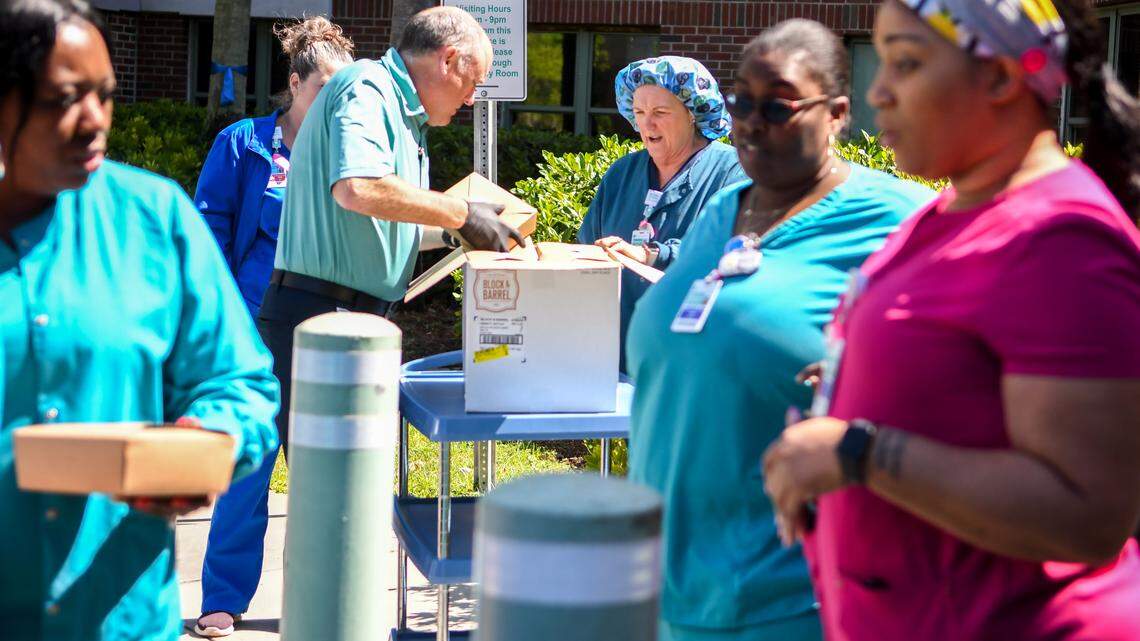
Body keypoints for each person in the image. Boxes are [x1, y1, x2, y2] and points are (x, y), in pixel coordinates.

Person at [762, 1, 1140, 639]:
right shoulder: (947, 211)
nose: (876, 92)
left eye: (905, 63)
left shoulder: (1060, 239)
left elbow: (1088, 514)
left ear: (998, 77)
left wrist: (858, 451)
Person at [625, 21, 934, 641]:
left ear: (838, 113)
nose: (751, 121)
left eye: (779, 105)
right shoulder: (722, 210)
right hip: (663, 590)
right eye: (742, 101)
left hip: (792, 600)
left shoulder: (898, 221)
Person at [0, 1, 280, 640]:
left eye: (104, 95)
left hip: (119, 619)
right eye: (67, 97)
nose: (94, 121)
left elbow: (240, 386)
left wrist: (205, 443)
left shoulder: (155, 219)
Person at [261, 6, 521, 463]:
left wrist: (455, 234)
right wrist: (460, 213)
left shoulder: (401, 114)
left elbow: (380, 228)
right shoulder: (367, 86)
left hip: (346, 315)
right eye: (472, 82)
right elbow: (358, 188)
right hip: (325, 314)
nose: (470, 100)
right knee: (338, 496)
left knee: (349, 495)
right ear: (447, 59)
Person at [191, 16, 354, 638]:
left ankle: (323, 604)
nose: (335, 107)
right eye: (325, 91)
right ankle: (224, 600)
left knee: (321, 479)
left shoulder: (349, 157)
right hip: (252, 339)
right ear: (294, 82)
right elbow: (209, 236)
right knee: (245, 471)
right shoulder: (244, 143)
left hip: (323, 338)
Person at [579, 56, 745, 366]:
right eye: (639, 112)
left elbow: (731, 251)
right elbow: (586, 250)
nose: (646, 123)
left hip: (693, 362)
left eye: (660, 112)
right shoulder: (621, 174)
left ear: (692, 112)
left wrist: (653, 254)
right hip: (616, 359)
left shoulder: (731, 171)